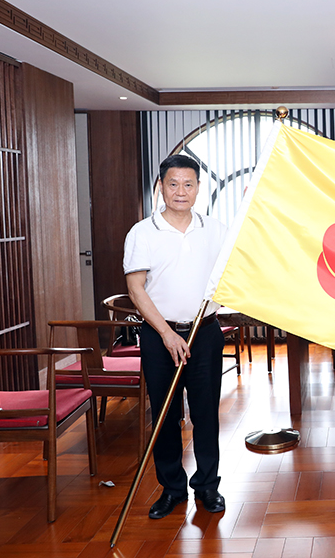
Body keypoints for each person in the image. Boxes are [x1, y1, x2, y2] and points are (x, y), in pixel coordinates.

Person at [123, 154, 228, 519]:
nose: (180, 191)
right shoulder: (142, 232)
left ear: (198, 188)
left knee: (206, 414)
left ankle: (207, 486)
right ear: (161, 187)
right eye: (173, 184)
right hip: (159, 336)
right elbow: (136, 288)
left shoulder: (215, 230)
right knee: (165, 415)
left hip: (204, 333)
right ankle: (172, 489)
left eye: (188, 184)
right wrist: (167, 334)